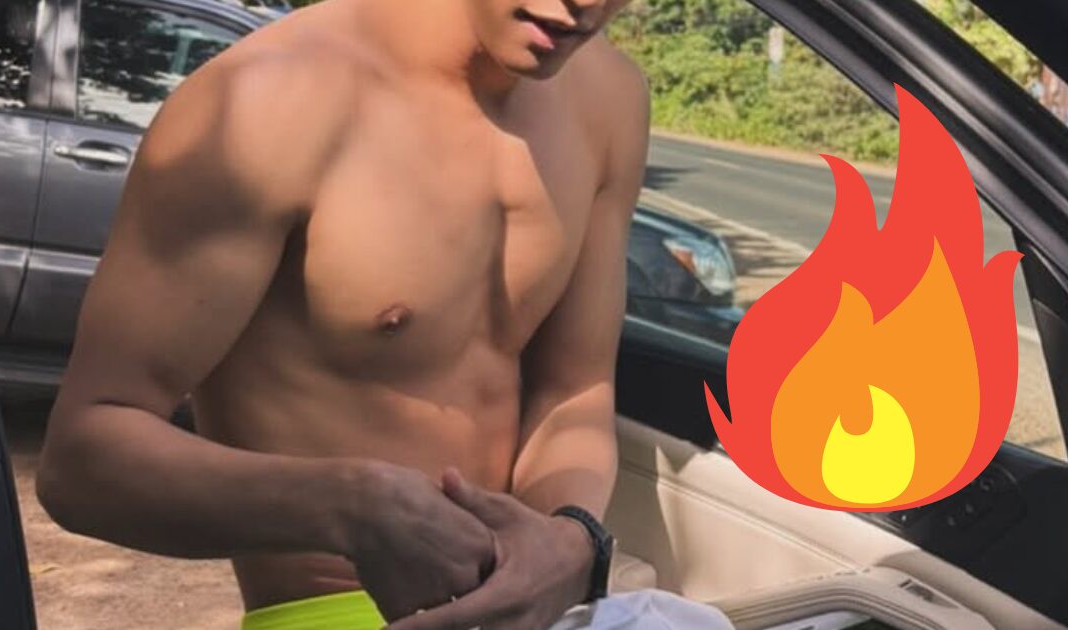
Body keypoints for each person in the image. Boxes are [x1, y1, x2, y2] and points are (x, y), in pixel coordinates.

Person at [34, 0, 655, 627]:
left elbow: (574, 385)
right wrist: (350, 506)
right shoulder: (266, 101)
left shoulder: (610, 100)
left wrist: (567, 535)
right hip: (335, 607)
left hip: (535, 609)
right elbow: (81, 461)